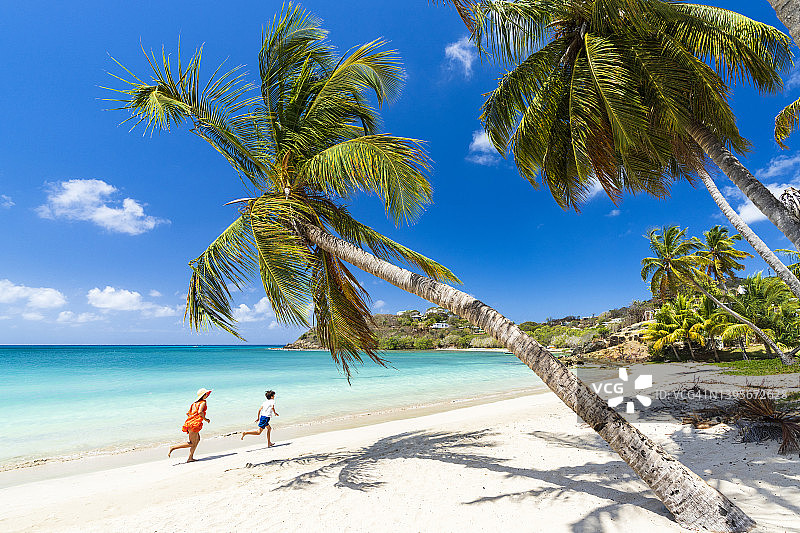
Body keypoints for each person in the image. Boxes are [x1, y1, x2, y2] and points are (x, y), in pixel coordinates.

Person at [169, 388, 211, 462]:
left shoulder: (194, 403)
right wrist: (206, 419)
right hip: (194, 424)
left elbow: (188, 413)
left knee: (197, 440)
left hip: (191, 423)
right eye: (206, 394)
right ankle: (173, 447)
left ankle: (190, 458)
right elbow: (200, 412)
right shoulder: (203, 402)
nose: (207, 395)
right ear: (203, 395)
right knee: (191, 443)